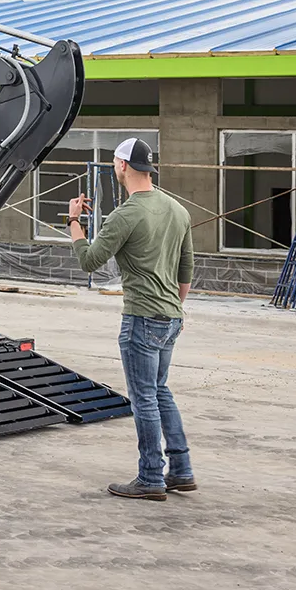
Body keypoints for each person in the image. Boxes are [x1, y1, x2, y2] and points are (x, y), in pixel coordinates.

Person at [67, 137, 196, 502]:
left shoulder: (125, 213)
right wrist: (177, 308)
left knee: (144, 400)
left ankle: (151, 477)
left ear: (122, 166)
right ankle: (182, 471)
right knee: (160, 391)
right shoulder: (177, 210)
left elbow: (90, 261)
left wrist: (74, 221)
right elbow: (186, 268)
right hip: (170, 316)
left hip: (142, 317)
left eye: (114, 162)